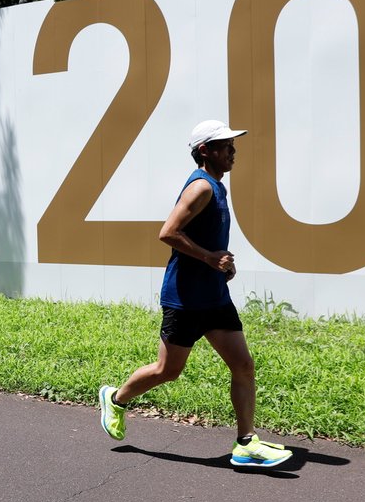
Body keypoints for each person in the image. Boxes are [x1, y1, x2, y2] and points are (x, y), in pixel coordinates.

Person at [98, 120, 292, 469]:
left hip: (214, 297)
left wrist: (223, 264)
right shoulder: (201, 188)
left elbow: (209, 241)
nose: (233, 151)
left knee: (244, 366)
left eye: (233, 145)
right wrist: (209, 257)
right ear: (205, 150)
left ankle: (246, 443)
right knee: (167, 370)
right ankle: (116, 398)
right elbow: (167, 232)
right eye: (226, 145)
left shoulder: (218, 188)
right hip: (185, 299)